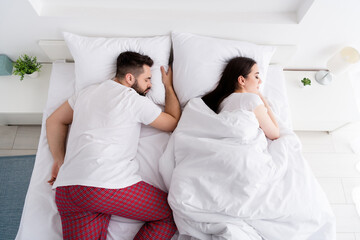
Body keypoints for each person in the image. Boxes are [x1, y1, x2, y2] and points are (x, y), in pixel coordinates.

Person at [46, 51, 181, 240]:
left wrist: (59, 161)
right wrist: (168, 86)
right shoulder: (132, 99)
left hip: (67, 190)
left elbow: (53, 121)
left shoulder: (86, 93)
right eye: (148, 79)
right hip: (104, 186)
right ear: (129, 78)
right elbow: (173, 122)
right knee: (170, 215)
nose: (150, 85)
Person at [202, 56, 280, 140]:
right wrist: (261, 97)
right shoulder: (252, 99)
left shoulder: (222, 102)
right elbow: (275, 134)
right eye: (256, 76)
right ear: (242, 80)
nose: (260, 81)